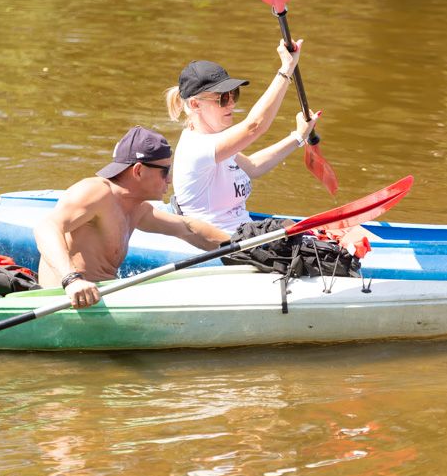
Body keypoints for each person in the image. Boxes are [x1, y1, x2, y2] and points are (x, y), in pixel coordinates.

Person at [34, 126, 230, 309]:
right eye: (165, 171)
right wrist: (72, 280)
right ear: (138, 171)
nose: (170, 179)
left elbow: (187, 229)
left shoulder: (137, 208)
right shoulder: (97, 192)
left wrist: (246, 247)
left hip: (102, 297)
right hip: (65, 301)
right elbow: (46, 227)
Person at [163, 39, 317, 233]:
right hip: (218, 245)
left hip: (244, 235)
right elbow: (255, 125)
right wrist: (287, 68)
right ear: (195, 104)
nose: (232, 104)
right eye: (223, 98)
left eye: (233, 94)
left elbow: (253, 166)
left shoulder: (217, 143)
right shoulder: (197, 148)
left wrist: (298, 136)